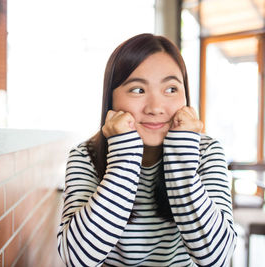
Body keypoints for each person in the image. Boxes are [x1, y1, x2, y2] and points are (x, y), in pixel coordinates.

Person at [57, 33, 237, 267]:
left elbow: (217, 257)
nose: (155, 107)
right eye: (138, 90)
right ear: (111, 100)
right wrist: (124, 157)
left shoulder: (207, 152)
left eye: (171, 89)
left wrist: (182, 158)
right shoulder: (85, 156)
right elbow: (77, 259)